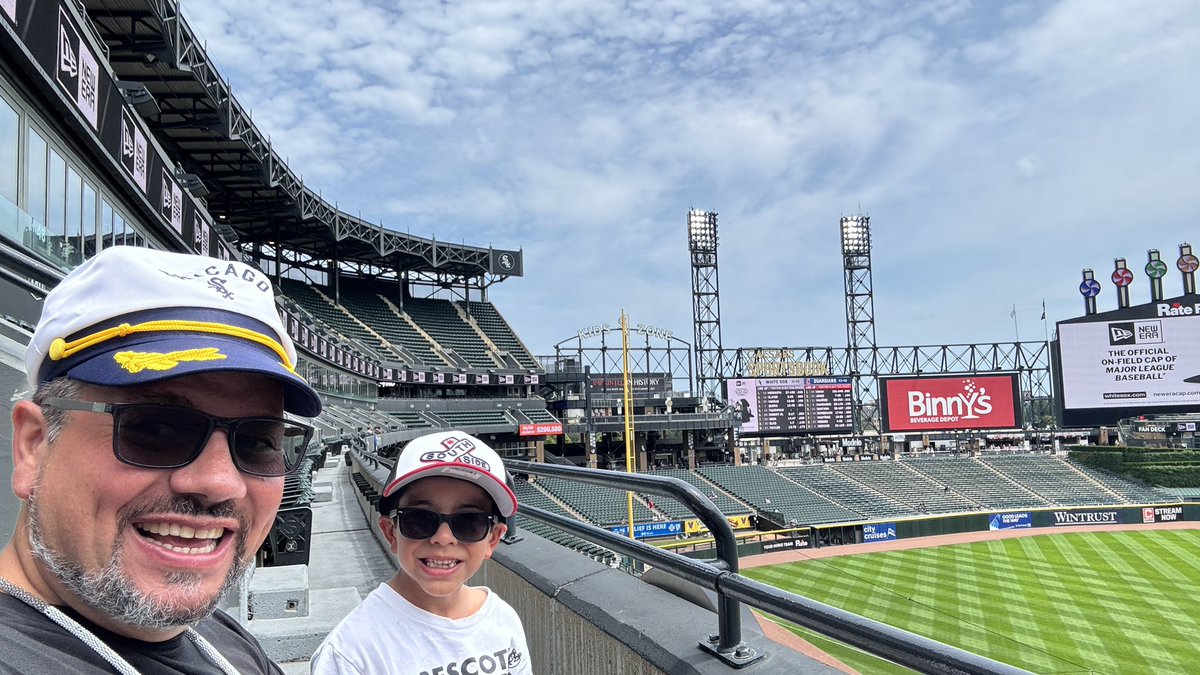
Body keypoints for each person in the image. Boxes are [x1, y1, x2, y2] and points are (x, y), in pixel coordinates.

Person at [0, 246, 323, 674]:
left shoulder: (216, 636)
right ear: (34, 446)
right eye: (156, 430)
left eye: (258, 442)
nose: (220, 482)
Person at [311, 430, 531, 675]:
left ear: (493, 538)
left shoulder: (503, 620)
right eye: (419, 519)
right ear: (391, 532)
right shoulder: (350, 654)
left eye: (470, 522)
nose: (443, 538)